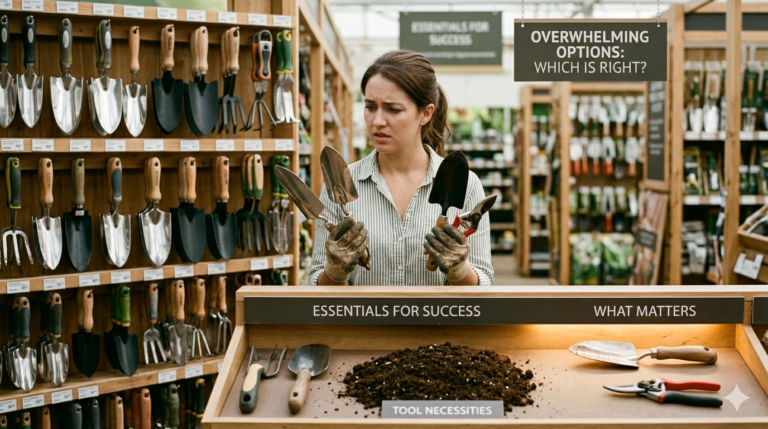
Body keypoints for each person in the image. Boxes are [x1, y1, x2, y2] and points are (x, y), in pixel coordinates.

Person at [309, 50, 493, 286]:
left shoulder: (465, 184)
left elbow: (484, 286)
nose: (377, 121)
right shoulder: (341, 184)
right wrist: (335, 271)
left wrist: (459, 271)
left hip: (439, 323)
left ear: (425, 113)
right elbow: (317, 287)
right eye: (370, 107)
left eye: (393, 109)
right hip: (362, 323)